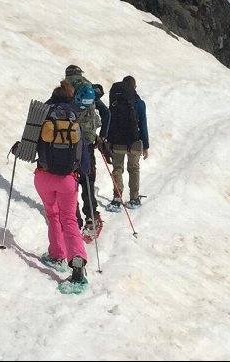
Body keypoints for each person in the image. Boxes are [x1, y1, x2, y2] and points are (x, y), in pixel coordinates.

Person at [34, 82, 89, 291]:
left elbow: (29, 145)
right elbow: (83, 155)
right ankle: (76, 259)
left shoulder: (44, 115)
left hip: (43, 177)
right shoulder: (75, 119)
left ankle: (57, 253)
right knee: (69, 218)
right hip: (68, 179)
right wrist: (83, 173)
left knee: (52, 213)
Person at [63, 64, 103, 234]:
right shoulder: (89, 89)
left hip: (68, 142)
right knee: (88, 179)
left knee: (71, 180)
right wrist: (102, 135)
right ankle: (91, 216)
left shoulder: (64, 89)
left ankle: (75, 217)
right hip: (87, 142)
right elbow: (106, 113)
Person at [106, 75, 149, 209]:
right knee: (134, 168)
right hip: (134, 142)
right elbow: (143, 125)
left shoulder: (115, 100)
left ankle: (117, 197)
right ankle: (134, 198)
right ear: (134, 87)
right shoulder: (139, 103)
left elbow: (110, 121)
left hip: (117, 141)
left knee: (117, 168)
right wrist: (145, 145)